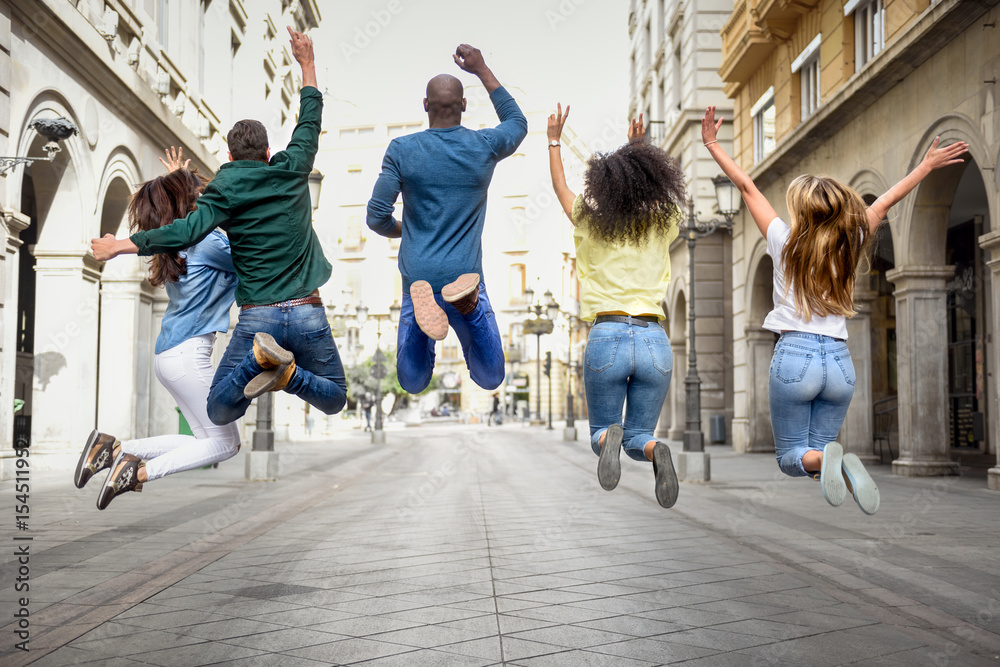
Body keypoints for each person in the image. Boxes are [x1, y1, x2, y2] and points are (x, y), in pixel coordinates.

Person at [701, 105, 968, 514]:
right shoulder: (853, 238)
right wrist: (926, 166)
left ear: (801, 209)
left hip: (795, 359)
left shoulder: (783, 240)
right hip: (840, 363)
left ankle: (833, 462)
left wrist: (712, 144)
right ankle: (835, 464)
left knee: (791, 457)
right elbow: (890, 197)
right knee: (819, 449)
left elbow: (747, 187)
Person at [91, 28, 346, 440]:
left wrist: (121, 245)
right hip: (306, 310)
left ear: (229, 157)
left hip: (258, 316)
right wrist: (307, 63)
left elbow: (186, 228)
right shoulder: (293, 167)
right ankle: (289, 376)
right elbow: (310, 120)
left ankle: (260, 363)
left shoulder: (226, 191)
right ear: (267, 153)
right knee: (335, 397)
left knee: (218, 409)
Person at [74, 149, 240, 510]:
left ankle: (114, 449)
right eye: (194, 193)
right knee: (226, 444)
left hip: (171, 356)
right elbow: (252, 251)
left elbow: (199, 214)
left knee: (204, 439)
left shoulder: (178, 244)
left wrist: (182, 179)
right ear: (188, 202)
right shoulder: (209, 242)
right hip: (189, 356)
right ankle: (136, 473)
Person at [366, 44, 527, 395]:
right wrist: (482, 68)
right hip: (466, 278)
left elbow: (376, 217)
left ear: (425, 105)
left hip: (418, 277)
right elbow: (517, 123)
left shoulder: (402, 149)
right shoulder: (483, 145)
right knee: (490, 377)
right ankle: (468, 310)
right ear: (464, 105)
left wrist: (406, 231)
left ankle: (425, 326)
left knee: (412, 381)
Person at [548, 106, 686, 509]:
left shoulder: (590, 221)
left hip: (607, 335)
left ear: (604, 186)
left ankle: (609, 439)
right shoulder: (661, 222)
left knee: (603, 433)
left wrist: (554, 139)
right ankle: (654, 447)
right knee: (639, 434)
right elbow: (653, 190)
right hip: (654, 340)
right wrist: (639, 148)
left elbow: (560, 188)